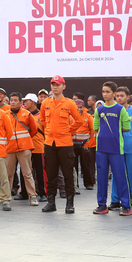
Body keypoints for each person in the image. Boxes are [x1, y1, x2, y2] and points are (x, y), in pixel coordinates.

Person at [39, 76, 82, 214]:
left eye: (57, 84)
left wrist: (68, 131)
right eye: (52, 84)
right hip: (49, 144)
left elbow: (79, 120)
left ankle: (70, 204)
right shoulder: (45, 102)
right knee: (50, 174)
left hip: (65, 144)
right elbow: (42, 120)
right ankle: (51, 202)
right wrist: (49, 132)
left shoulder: (69, 103)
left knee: (68, 174)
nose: (54, 87)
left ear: (64, 86)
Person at [92, 81, 132, 216]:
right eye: (103, 92)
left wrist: (114, 133)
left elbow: (127, 127)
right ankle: (102, 205)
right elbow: (95, 128)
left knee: (120, 177)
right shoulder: (99, 110)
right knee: (101, 178)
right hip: (101, 149)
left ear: (114, 94)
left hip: (116, 149)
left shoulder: (120, 109)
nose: (105, 94)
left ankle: (126, 205)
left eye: (107, 92)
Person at [109, 86, 132, 212]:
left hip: (131, 148)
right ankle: (115, 200)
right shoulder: (112, 111)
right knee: (116, 175)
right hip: (116, 148)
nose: (119, 98)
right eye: (117, 96)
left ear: (128, 97)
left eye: (122, 95)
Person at [7, 92, 38, 206]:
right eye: (11, 100)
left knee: (27, 173)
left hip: (24, 148)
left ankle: (33, 196)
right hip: (10, 148)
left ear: (21, 103)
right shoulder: (5, 115)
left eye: (15, 100)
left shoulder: (27, 114)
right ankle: (6, 197)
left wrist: (24, 141)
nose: (13, 102)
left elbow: (33, 131)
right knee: (8, 174)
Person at [23, 93, 47, 202]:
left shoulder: (41, 116)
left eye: (26, 101)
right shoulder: (24, 115)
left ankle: (42, 193)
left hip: (39, 147)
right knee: (24, 170)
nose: (24, 103)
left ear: (32, 102)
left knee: (40, 171)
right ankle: (23, 192)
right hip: (26, 147)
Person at [72, 99, 95, 191]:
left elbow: (92, 131)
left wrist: (87, 141)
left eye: (81, 107)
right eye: (77, 107)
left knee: (86, 165)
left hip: (85, 144)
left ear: (83, 107)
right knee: (73, 166)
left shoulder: (88, 116)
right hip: (73, 144)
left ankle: (88, 183)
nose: (79, 109)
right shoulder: (70, 117)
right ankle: (75, 184)